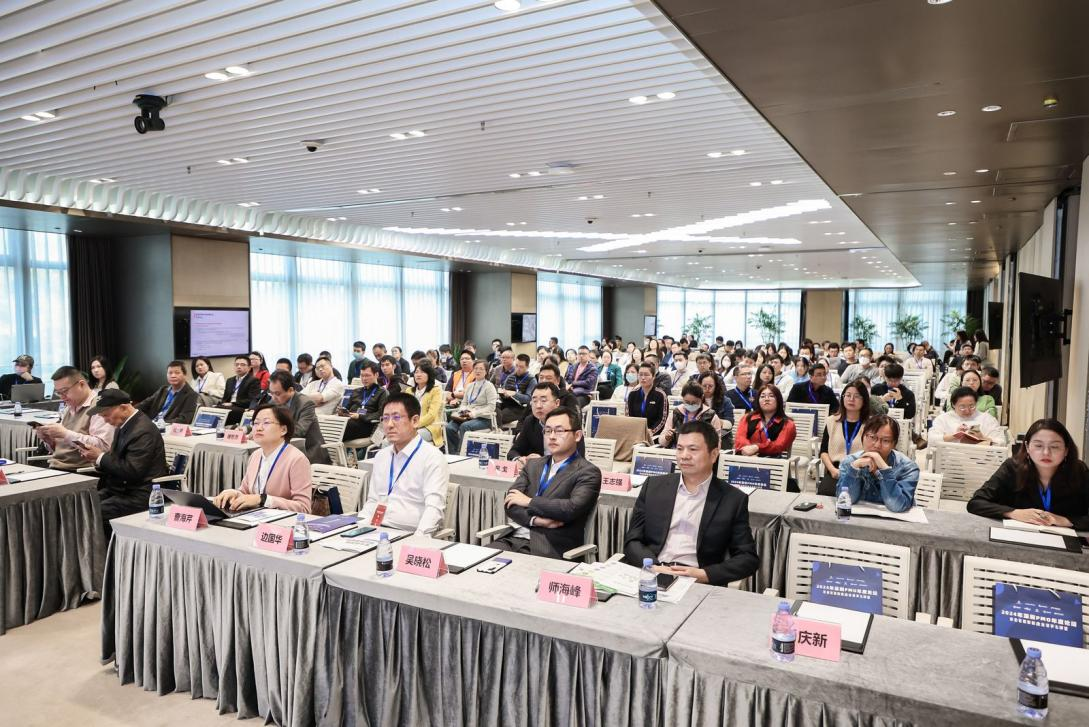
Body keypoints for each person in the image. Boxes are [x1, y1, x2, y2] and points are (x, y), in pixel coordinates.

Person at [622, 420, 759, 586]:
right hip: (653, 572)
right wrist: (654, 567)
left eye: (693, 449)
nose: (684, 455)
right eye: (679, 448)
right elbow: (633, 540)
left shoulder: (733, 499)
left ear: (714, 454)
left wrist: (704, 575)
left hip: (697, 581)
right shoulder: (653, 486)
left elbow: (747, 558)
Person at [492, 407, 601, 559]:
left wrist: (529, 501)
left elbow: (570, 508)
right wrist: (536, 521)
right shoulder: (533, 465)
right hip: (512, 538)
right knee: (476, 565)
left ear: (577, 435)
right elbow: (511, 502)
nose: (552, 436)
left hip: (549, 547)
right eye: (548, 431)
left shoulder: (588, 472)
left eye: (559, 431)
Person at [967, 419, 1089, 529]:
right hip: (1018, 537)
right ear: (1027, 447)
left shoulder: (1079, 471)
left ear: (1066, 450)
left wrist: (1066, 521)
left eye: (1055, 446)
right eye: (1038, 445)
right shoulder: (1012, 467)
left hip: (1066, 541)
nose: (1046, 452)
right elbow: (976, 502)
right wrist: (1014, 513)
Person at [78, 389, 166, 539]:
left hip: (139, 493)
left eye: (106, 415)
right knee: (80, 505)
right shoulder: (124, 425)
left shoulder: (143, 431)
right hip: (119, 489)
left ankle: (106, 551)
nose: (105, 420)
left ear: (124, 408)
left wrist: (100, 457)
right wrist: (97, 460)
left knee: (91, 512)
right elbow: (117, 461)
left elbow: (132, 471)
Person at [359, 393, 449, 533]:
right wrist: (360, 528)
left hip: (409, 533)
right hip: (376, 530)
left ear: (415, 421)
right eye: (385, 418)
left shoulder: (432, 457)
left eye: (396, 418)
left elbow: (434, 509)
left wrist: (418, 538)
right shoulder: (381, 456)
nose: (389, 425)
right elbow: (373, 500)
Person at [212, 405, 313, 513]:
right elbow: (245, 492)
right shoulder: (256, 455)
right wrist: (234, 493)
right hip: (253, 517)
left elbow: (304, 508)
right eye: (256, 423)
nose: (259, 428)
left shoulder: (297, 459)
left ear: (283, 430)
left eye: (266, 423)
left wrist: (264, 500)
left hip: (281, 521)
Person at [32, 366, 115, 471]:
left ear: (81, 384)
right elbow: (61, 450)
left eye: (64, 391)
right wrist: (49, 440)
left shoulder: (99, 406)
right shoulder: (69, 407)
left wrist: (65, 433)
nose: (62, 396)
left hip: (82, 470)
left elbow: (103, 447)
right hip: (57, 466)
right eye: (58, 393)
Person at [837, 416, 919, 512]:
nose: (877, 445)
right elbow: (845, 501)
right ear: (863, 436)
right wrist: (854, 469)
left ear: (894, 444)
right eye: (872, 437)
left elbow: (897, 506)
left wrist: (884, 469)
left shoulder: (908, 468)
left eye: (885, 440)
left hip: (894, 521)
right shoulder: (850, 462)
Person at [508, 383, 585, 463]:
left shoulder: (569, 423)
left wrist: (542, 462)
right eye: (534, 401)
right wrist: (519, 459)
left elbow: (577, 460)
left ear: (557, 403)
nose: (538, 406)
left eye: (543, 401)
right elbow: (513, 452)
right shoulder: (530, 422)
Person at [818, 381, 872, 496]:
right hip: (836, 470)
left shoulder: (870, 425)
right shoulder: (832, 421)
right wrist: (832, 470)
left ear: (864, 400)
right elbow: (823, 451)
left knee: (856, 497)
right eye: (848, 395)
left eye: (856, 396)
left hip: (860, 472)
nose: (851, 399)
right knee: (825, 493)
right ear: (842, 398)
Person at [266, 370, 330, 465]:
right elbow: (263, 419)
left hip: (308, 451)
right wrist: (249, 429)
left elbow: (299, 431)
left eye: (277, 394)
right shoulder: (274, 401)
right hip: (286, 448)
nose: (273, 397)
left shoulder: (305, 403)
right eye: (271, 393)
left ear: (290, 390)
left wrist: (272, 432)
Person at [734, 384, 797, 461]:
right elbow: (740, 439)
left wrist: (757, 447)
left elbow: (779, 445)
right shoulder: (747, 418)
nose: (766, 399)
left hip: (774, 462)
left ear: (778, 400)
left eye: (771, 396)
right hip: (746, 458)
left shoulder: (788, 424)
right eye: (762, 396)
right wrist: (750, 453)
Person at [445, 360, 497, 453]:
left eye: (481, 369)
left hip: (483, 419)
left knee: (464, 426)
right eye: (476, 368)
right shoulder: (470, 386)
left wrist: (475, 413)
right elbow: (464, 402)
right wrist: (463, 410)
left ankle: (461, 453)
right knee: (449, 428)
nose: (478, 371)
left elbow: (491, 407)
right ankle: (453, 452)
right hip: (466, 417)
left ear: (486, 371)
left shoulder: (489, 386)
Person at [929, 387, 1003, 445]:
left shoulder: (987, 419)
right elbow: (932, 439)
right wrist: (954, 436)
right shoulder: (943, 419)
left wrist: (982, 438)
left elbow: (1001, 442)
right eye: (962, 407)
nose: (967, 411)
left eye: (971, 406)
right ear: (953, 405)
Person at [660, 382, 722, 448]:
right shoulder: (676, 413)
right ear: (682, 398)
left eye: (694, 402)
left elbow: (717, 445)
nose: (690, 405)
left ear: (702, 398)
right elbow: (662, 442)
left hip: (701, 452)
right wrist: (666, 438)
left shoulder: (711, 416)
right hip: (677, 450)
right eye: (687, 402)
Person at [137, 360, 200, 425]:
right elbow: (144, 404)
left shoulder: (191, 395)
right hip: (151, 424)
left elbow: (184, 419)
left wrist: (161, 423)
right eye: (170, 373)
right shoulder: (163, 390)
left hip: (167, 427)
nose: (173, 376)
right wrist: (132, 410)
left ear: (185, 375)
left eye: (177, 373)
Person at [338, 361, 388, 441]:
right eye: (362, 375)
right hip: (350, 421)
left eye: (367, 375)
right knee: (331, 424)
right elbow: (347, 408)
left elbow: (381, 414)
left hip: (367, 424)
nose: (364, 379)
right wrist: (342, 412)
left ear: (376, 375)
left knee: (339, 428)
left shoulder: (382, 392)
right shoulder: (356, 391)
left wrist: (360, 416)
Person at [628, 362, 669, 439]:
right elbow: (629, 416)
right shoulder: (632, 394)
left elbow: (662, 419)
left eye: (646, 375)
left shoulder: (661, 395)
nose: (643, 378)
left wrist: (652, 431)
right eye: (640, 374)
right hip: (636, 433)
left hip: (654, 435)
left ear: (653, 377)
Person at [411, 363, 444, 448]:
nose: (418, 375)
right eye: (416, 372)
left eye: (422, 372)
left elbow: (431, 415)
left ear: (429, 375)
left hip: (430, 427)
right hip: (410, 426)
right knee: (387, 440)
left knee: (408, 438)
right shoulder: (409, 390)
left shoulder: (435, 391)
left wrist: (415, 425)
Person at [496, 354, 535, 427]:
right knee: (492, 409)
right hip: (506, 402)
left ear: (527, 367)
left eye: (521, 367)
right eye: (516, 366)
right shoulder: (511, 376)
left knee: (498, 417)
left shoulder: (532, 380)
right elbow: (503, 389)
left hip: (519, 408)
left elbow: (529, 399)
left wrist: (514, 394)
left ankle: (499, 429)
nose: (518, 369)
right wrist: (503, 393)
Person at [222, 355, 262, 424]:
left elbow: (252, 400)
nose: (239, 367)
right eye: (236, 364)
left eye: (242, 365)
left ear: (249, 368)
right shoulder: (230, 380)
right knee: (212, 408)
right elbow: (225, 398)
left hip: (241, 408)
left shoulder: (254, 380)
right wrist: (222, 404)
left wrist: (232, 404)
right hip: (228, 407)